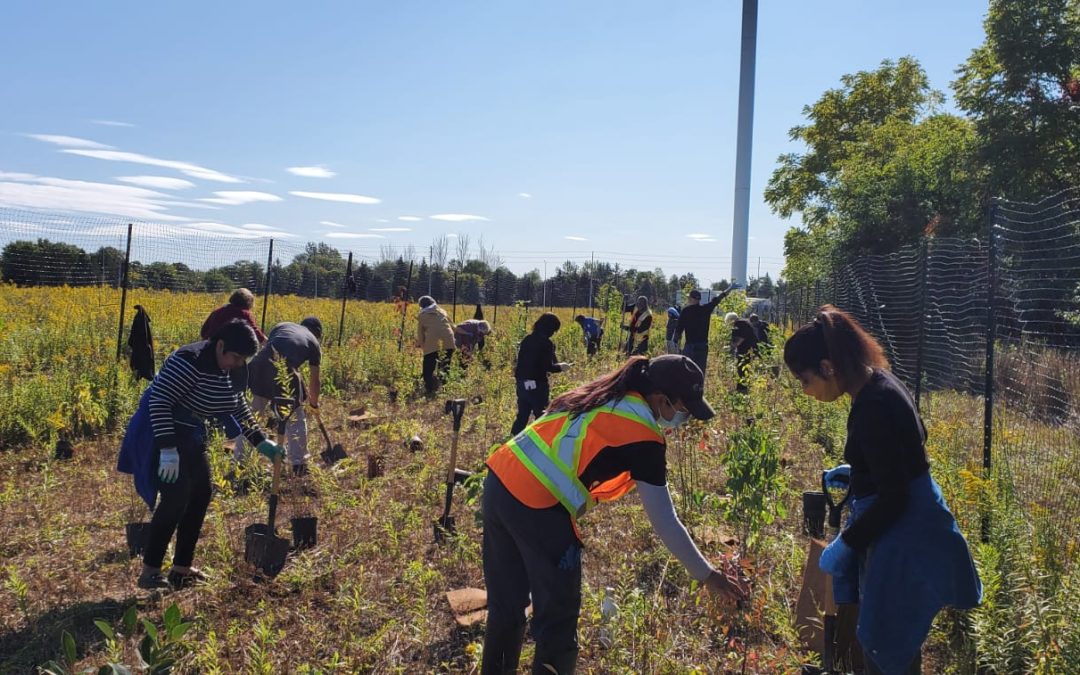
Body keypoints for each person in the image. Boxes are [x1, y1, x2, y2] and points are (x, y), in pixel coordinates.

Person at [482, 354, 748, 674]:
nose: (684, 417)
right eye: (684, 409)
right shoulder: (644, 435)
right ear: (662, 399)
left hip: (499, 480)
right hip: (538, 505)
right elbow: (665, 521)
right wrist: (708, 575)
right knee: (558, 623)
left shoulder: (607, 396)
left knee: (506, 608)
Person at [784, 306, 981, 675]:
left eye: (805, 381)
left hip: (902, 535)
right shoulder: (880, 382)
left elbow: (895, 497)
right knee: (900, 636)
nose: (807, 392)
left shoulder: (873, 406)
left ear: (827, 367)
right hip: (915, 520)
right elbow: (907, 454)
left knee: (886, 641)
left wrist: (848, 542)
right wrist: (862, 473)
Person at [117, 319, 283, 590]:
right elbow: (159, 401)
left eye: (244, 359)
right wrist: (168, 449)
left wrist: (262, 442)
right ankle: (150, 571)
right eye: (236, 357)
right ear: (220, 346)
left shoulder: (233, 369)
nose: (239, 363)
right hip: (161, 431)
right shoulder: (189, 361)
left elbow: (238, 406)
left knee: (201, 493)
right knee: (175, 496)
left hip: (192, 433)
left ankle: (181, 569)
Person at [245, 317, 323, 474]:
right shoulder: (313, 342)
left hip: (257, 366)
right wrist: (313, 405)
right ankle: (298, 464)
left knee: (251, 417)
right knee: (296, 418)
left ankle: (240, 462)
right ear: (318, 333)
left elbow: (271, 349)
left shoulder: (282, 325)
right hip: (283, 371)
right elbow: (315, 381)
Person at [511, 313, 571, 436]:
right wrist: (561, 367)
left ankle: (511, 441)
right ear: (550, 328)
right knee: (542, 415)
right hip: (537, 385)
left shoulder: (527, 339)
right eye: (554, 330)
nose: (553, 333)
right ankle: (543, 441)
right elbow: (549, 367)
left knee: (522, 416)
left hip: (522, 383)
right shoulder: (546, 344)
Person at [674, 288, 730, 372]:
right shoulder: (705, 309)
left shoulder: (686, 311)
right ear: (699, 299)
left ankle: (687, 385)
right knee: (699, 371)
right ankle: (699, 385)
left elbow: (679, 329)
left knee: (686, 371)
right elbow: (717, 300)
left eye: (689, 298)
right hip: (702, 346)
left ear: (691, 299)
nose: (688, 299)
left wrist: (676, 344)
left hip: (690, 346)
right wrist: (728, 290)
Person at [416, 295, 457, 395]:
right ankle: (444, 389)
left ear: (421, 306)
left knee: (428, 368)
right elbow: (453, 327)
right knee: (445, 367)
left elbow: (420, 334)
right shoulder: (442, 311)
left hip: (432, 344)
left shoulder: (422, 315)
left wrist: (422, 346)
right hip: (449, 342)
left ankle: (429, 390)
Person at [200, 288, 267, 344]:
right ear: (249, 302)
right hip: (223, 351)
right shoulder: (244, 313)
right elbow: (255, 333)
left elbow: (203, 332)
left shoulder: (218, 310)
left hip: (206, 346)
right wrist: (268, 344)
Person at [730, 318, 761, 394]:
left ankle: (742, 390)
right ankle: (742, 389)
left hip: (748, 350)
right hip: (749, 349)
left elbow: (740, 339)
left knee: (742, 369)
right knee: (743, 369)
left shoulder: (740, 325)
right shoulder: (743, 323)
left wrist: (732, 346)